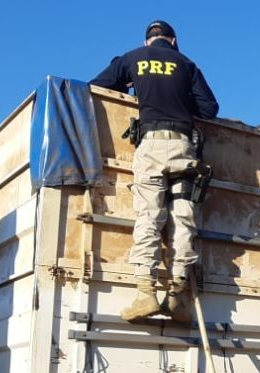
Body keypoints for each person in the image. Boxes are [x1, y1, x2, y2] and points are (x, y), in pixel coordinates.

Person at [90, 20, 219, 322]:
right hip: (184, 148)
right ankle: (176, 296)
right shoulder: (186, 64)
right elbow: (210, 109)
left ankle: (145, 293)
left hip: (151, 144)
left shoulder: (132, 57)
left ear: (148, 41)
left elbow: (97, 86)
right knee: (183, 218)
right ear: (173, 41)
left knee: (149, 216)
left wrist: (132, 85)